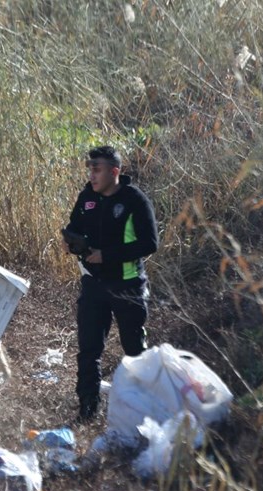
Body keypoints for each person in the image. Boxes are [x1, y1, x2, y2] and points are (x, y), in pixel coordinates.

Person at [62, 145, 159, 422]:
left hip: (127, 287)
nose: (91, 174)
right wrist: (70, 241)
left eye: (97, 169)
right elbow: (75, 226)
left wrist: (107, 255)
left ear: (114, 172)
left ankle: (144, 412)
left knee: (134, 352)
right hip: (93, 285)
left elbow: (150, 243)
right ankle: (87, 413)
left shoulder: (134, 201)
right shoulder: (87, 197)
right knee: (89, 350)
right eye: (89, 168)